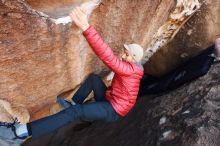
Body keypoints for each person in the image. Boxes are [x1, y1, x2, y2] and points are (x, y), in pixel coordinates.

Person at [0, 7, 144, 141]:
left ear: (134, 59)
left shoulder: (131, 70)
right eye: (125, 53)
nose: (124, 56)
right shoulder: (131, 68)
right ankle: (74, 103)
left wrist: (87, 28)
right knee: (94, 79)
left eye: (127, 55)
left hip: (114, 110)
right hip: (110, 100)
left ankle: (20, 133)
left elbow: (108, 57)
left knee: (75, 113)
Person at [138, 38, 220, 96]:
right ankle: (143, 85)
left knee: (157, 85)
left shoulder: (204, 67)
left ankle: (142, 88)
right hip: (180, 72)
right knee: (159, 82)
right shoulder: (208, 57)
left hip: (178, 76)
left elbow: (185, 77)